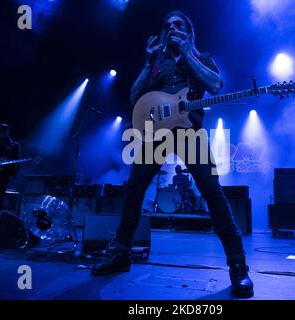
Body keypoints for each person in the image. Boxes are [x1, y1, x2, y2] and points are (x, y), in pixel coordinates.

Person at [92, 11, 253, 298]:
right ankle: (120, 254)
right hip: (157, 133)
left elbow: (215, 85)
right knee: (134, 189)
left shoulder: (201, 58)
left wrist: (188, 51)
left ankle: (238, 266)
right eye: (167, 26)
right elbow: (135, 97)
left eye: (178, 25)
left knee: (213, 193)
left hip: (189, 131)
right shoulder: (159, 62)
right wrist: (148, 62)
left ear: (189, 31)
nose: (171, 29)